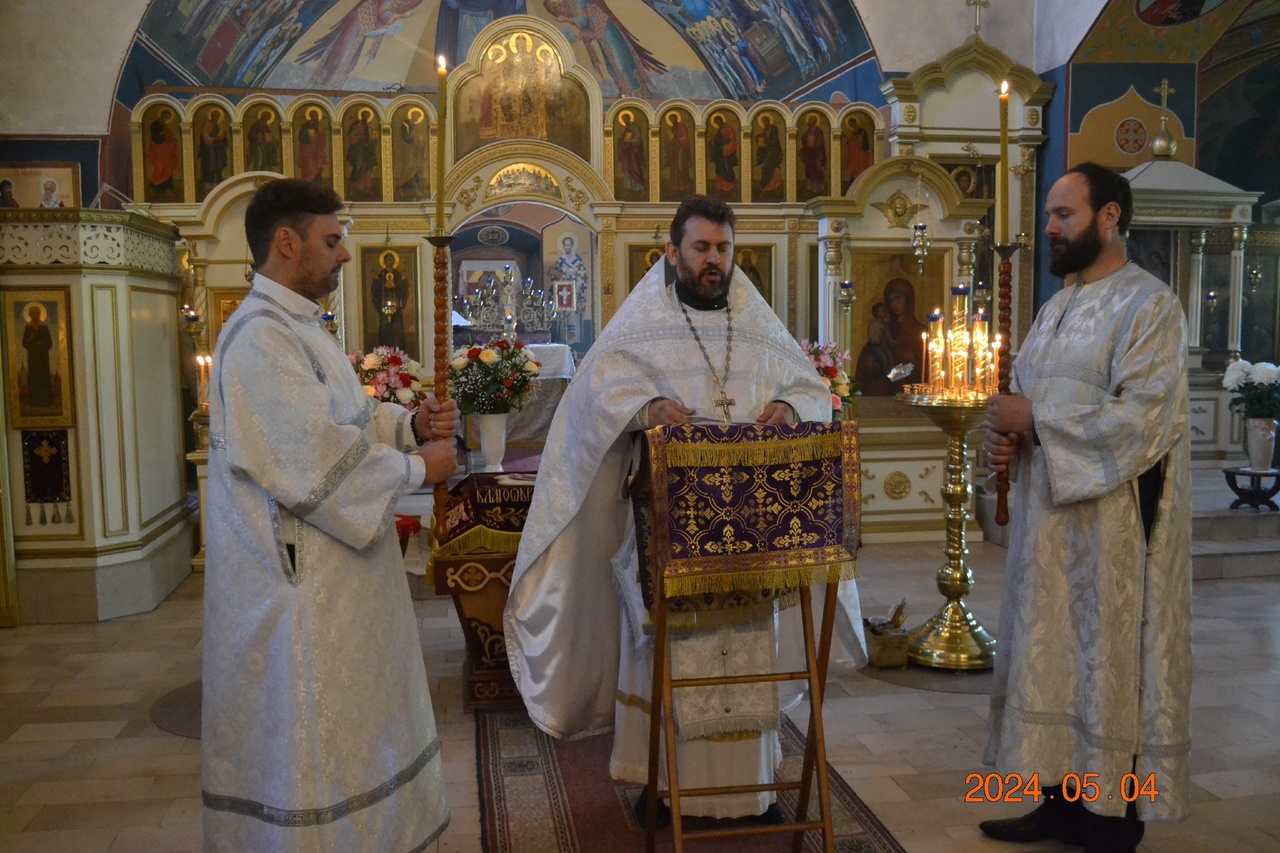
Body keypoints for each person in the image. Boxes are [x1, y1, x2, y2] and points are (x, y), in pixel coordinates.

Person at [505, 194, 866, 825]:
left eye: (723, 248)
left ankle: (751, 793)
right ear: (672, 253)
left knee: (748, 651)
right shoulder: (640, 323)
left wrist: (789, 408)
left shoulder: (756, 322)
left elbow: (809, 389)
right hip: (670, 534)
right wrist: (645, 409)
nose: (713, 260)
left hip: (753, 537)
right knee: (670, 652)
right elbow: (592, 397)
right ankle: (666, 788)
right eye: (701, 248)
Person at [201, 178, 457, 853]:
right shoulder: (259, 339)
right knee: (312, 744)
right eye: (333, 240)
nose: (345, 255)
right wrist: (419, 470)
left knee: (351, 731)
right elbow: (311, 459)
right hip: (298, 592)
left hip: (336, 581)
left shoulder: (300, 326)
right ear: (287, 243)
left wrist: (409, 425)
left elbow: (348, 416)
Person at [981, 162, 1191, 853]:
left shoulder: (1150, 306)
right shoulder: (1055, 307)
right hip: (1046, 529)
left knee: (1104, 665)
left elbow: (1145, 419)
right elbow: (1022, 397)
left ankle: (1111, 819)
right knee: (1053, 662)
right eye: (1049, 214)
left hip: (1111, 535)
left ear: (1109, 217)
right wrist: (1007, 434)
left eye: (1063, 214)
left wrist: (1036, 422)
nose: (1049, 227)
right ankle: (1056, 801)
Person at [372, 249, 410, 349]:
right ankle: (383, 350)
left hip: (396, 307)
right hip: (384, 307)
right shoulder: (381, 275)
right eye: (387, 260)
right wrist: (378, 282)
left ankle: (399, 349)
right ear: (384, 262)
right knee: (384, 328)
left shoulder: (398, 275)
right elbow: (376, 290)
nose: (389, 262)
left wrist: (401, 282)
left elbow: (404, 291)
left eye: (391, 260)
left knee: (397, 328)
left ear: (394, 262)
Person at [22, 303, 54, 409]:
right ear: (30, 315)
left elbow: (49, 342)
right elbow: (24, 343)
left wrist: (41, 344)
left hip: (43, 358)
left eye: (37, 313)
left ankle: (45, 402)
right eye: (33, 314)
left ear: (39, 314)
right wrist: (33, 344)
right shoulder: (28, 327)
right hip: (33, 358)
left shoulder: (44, 327)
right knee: (34, 378)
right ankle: (34, 402)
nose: (35, 315)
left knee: (43, 378)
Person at [199, 109, 230, 196]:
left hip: (216, 150)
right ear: (212, 116)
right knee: (210, 166)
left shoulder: (216, 125)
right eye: (215, 116)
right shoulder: (208, 125)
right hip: (209, 151)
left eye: (218, 116)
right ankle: (207, 187)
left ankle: (216, 185)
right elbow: (205, 137)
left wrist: (223, 138)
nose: (216, 118)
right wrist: (216, 139)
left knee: (217, 166)